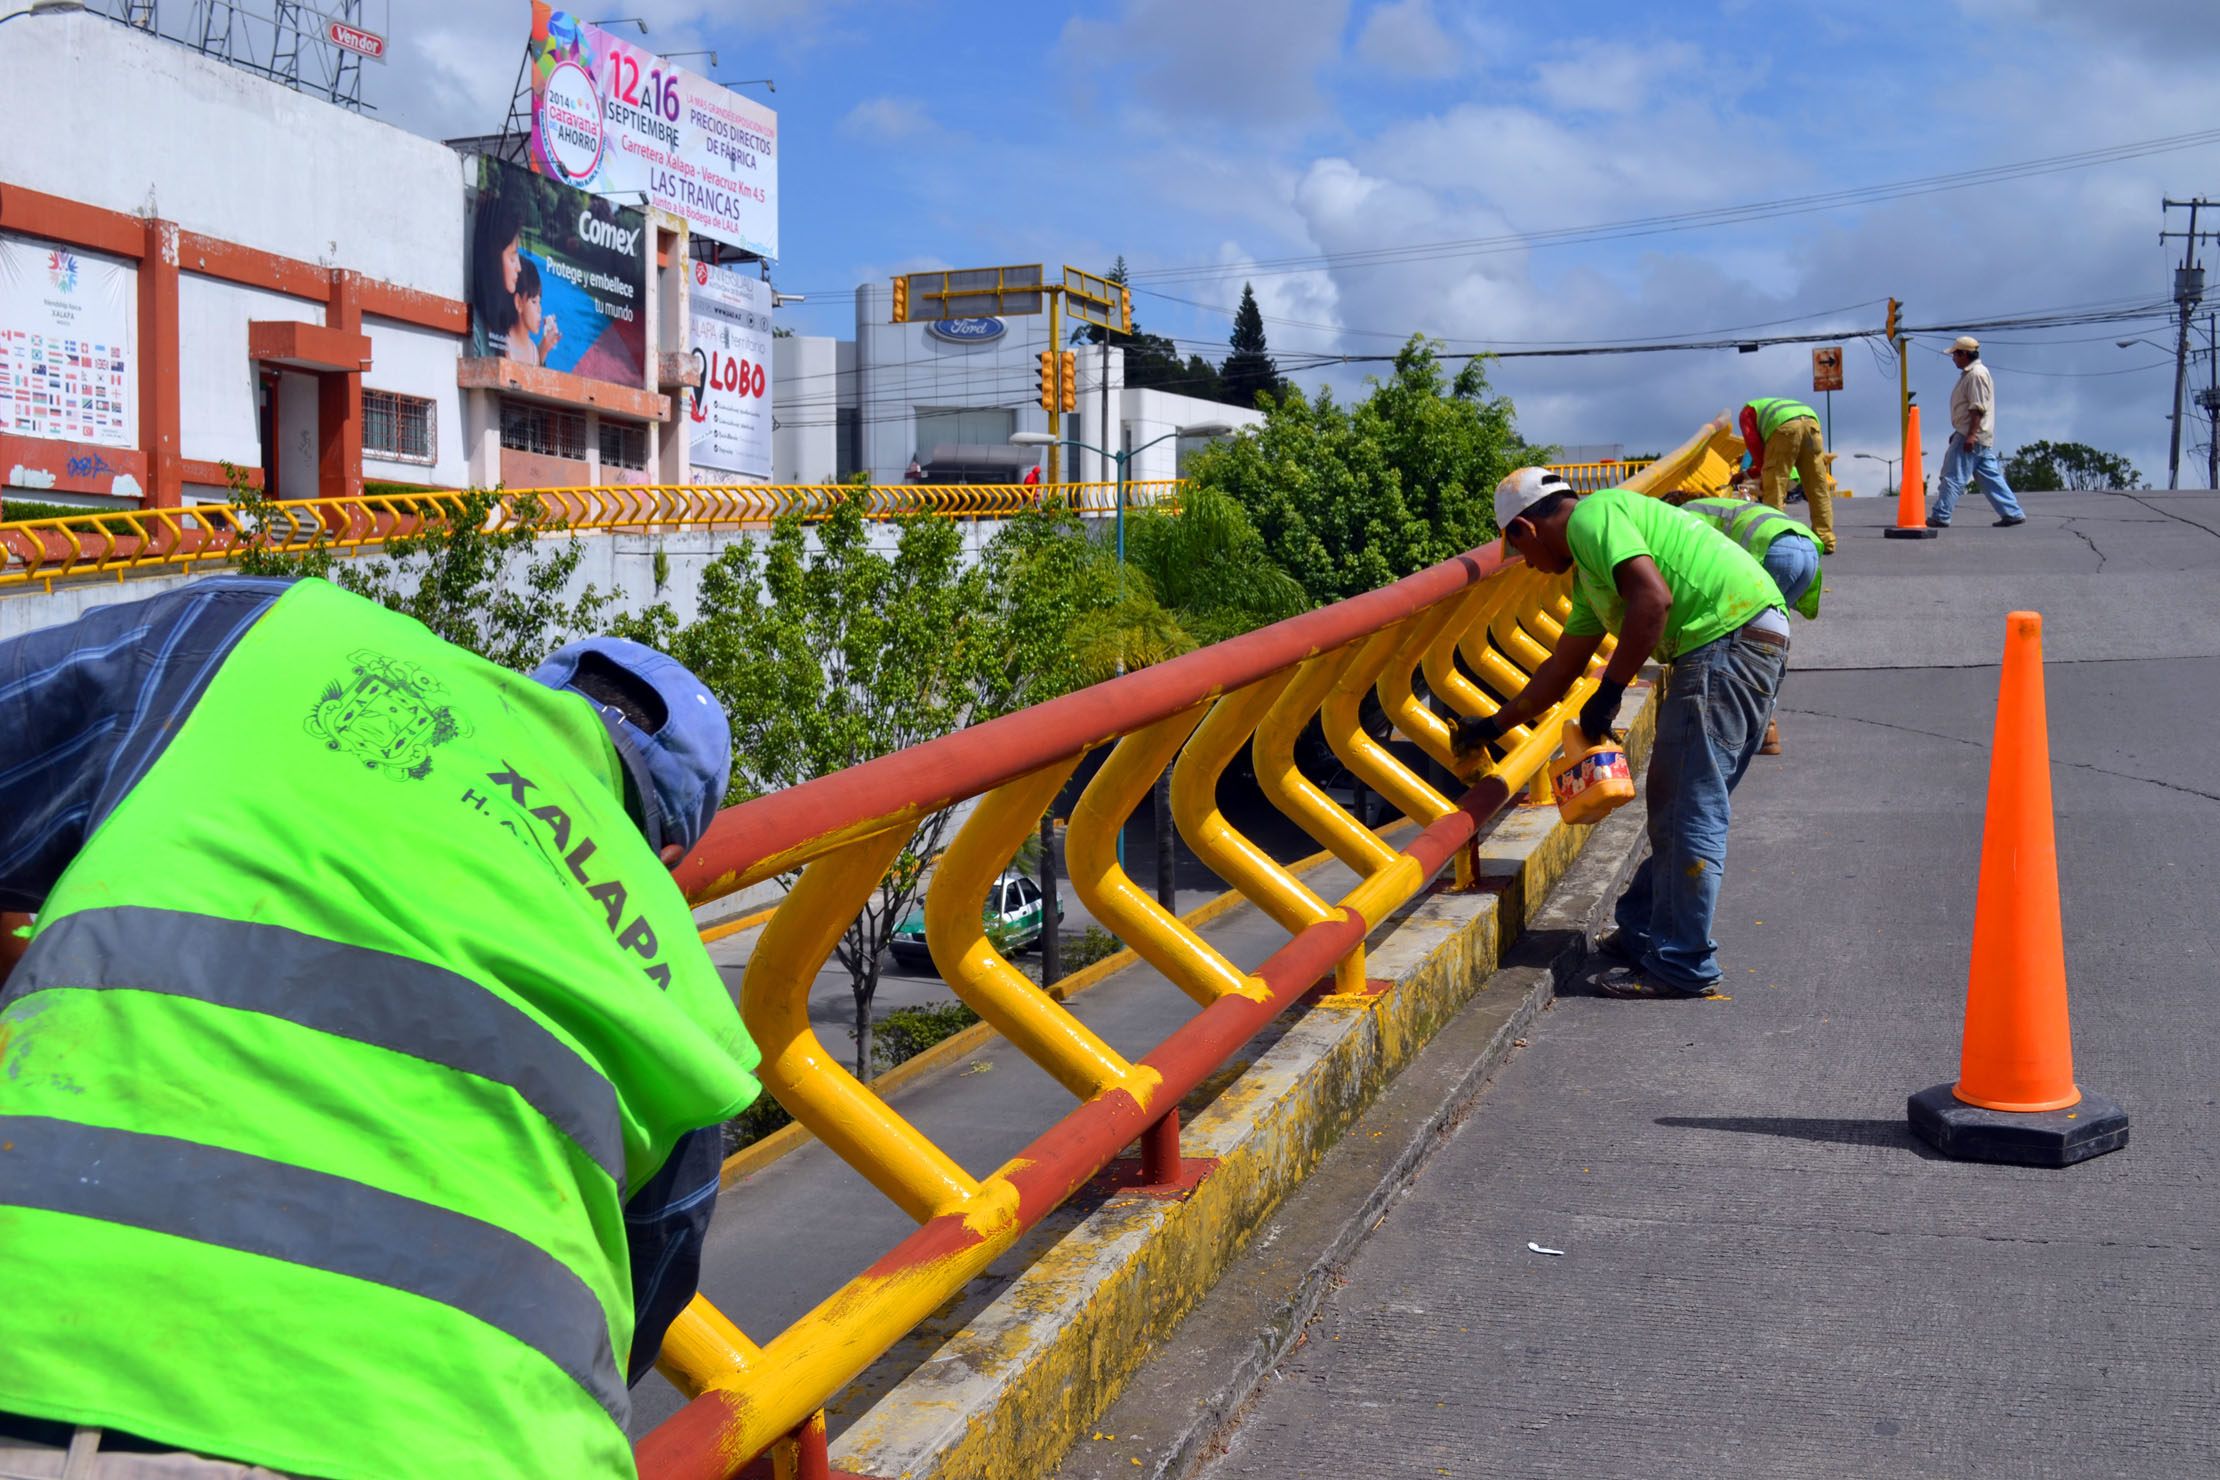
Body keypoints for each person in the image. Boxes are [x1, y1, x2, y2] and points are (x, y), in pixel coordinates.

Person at [0, 576, 759, 1480]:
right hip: (474, 1443)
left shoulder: (283, 633)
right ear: (669, 857)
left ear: (518, 692)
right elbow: (634, 1307)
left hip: (61, 1350)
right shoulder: (690, 997)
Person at [1458, 472, 1788, 1000]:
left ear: (1524, 526)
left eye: (1518, 548)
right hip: (1736, 638)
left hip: (1725, 641)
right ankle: (1641, 932)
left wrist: (1610, 691)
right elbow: (1561, 668)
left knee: (1688, 806)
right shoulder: (1592, 573)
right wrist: (1493, 724)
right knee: (1676, 801)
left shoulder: (1594, 517)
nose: (1528, 564)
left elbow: (1652, 600)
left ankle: (1684, 964)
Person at [1664, 490, 1824, 755]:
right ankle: (1766, 731)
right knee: (1770, 639)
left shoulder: (1681, 515)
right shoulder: (1720, 505)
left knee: (1747, 641)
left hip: (1773, 551)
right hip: (1806, 547)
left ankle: (1759, 728)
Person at [1928, 335, 2026, 529]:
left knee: (1952, 476)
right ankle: (2012, 513)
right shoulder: (1973, 373)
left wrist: (1969, 434)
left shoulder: (1976, 375)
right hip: (1975, 434)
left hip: (1971, 435)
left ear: (1964, 354)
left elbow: (1977, 407)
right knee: (1990, 478)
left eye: (1955, 354)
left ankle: (1941, 514)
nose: (1953, 358)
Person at [1738, 396, 1837, 553]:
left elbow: (1754, 445)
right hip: (1812, 425)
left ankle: (1775, 540)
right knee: (1818, 488)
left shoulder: (1746, 412)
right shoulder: (1774, 407)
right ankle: (1826, 539)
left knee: (1774, 488)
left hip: (1785, 429)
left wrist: (1762, 473)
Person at [506, 256, 562, 367]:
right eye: (534, 302)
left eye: (539, 302)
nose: (539, 310)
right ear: (518, 302)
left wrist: (544, 350)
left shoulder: (534, 352)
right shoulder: (503, 343)